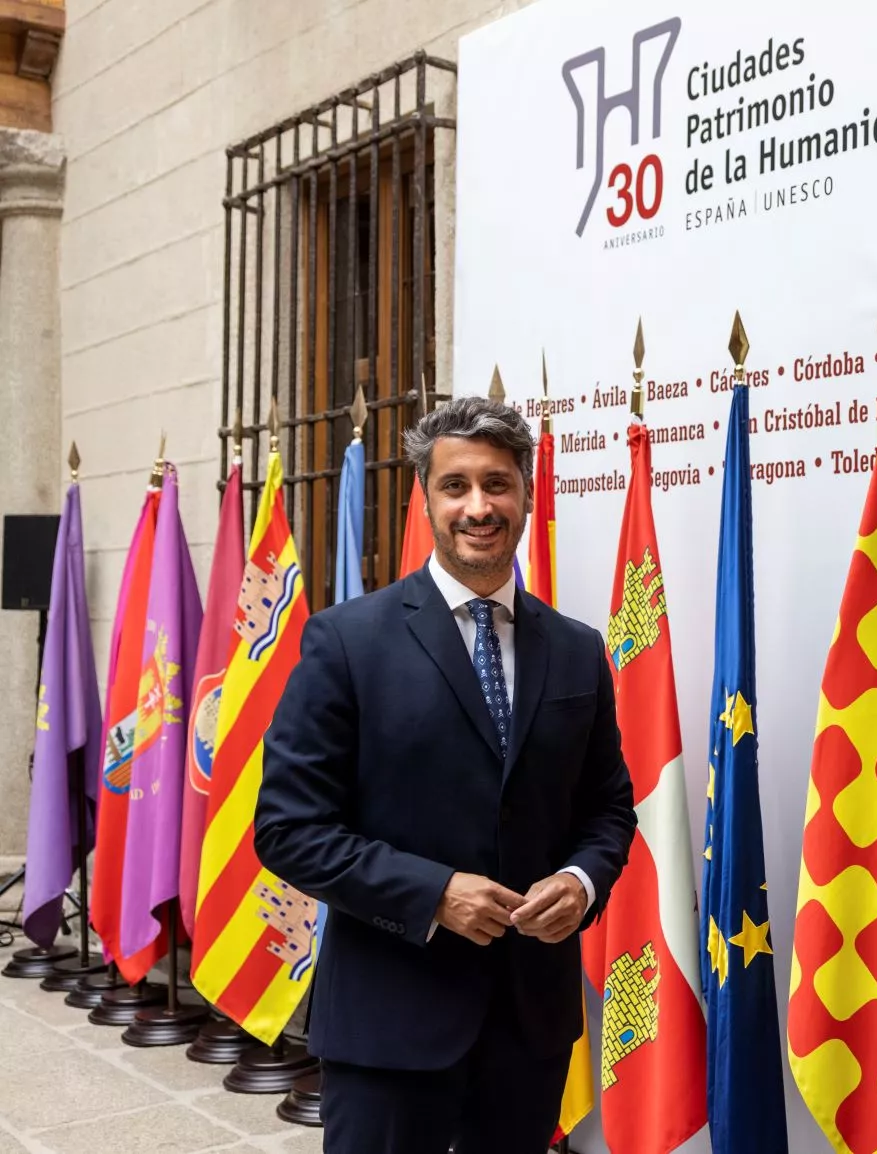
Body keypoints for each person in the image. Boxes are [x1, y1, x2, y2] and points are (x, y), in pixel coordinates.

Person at [255, 396, 637, 1154]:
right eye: (455, 486)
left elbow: (608, 808)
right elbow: (289, 830)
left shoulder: (577, 649)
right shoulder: (346, 642)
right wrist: (433, 894)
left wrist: (582, 881)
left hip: (530, 1027)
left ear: (526, 493)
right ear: (425, 499)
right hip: (390, 1025)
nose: (478, 507)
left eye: (497, 484)